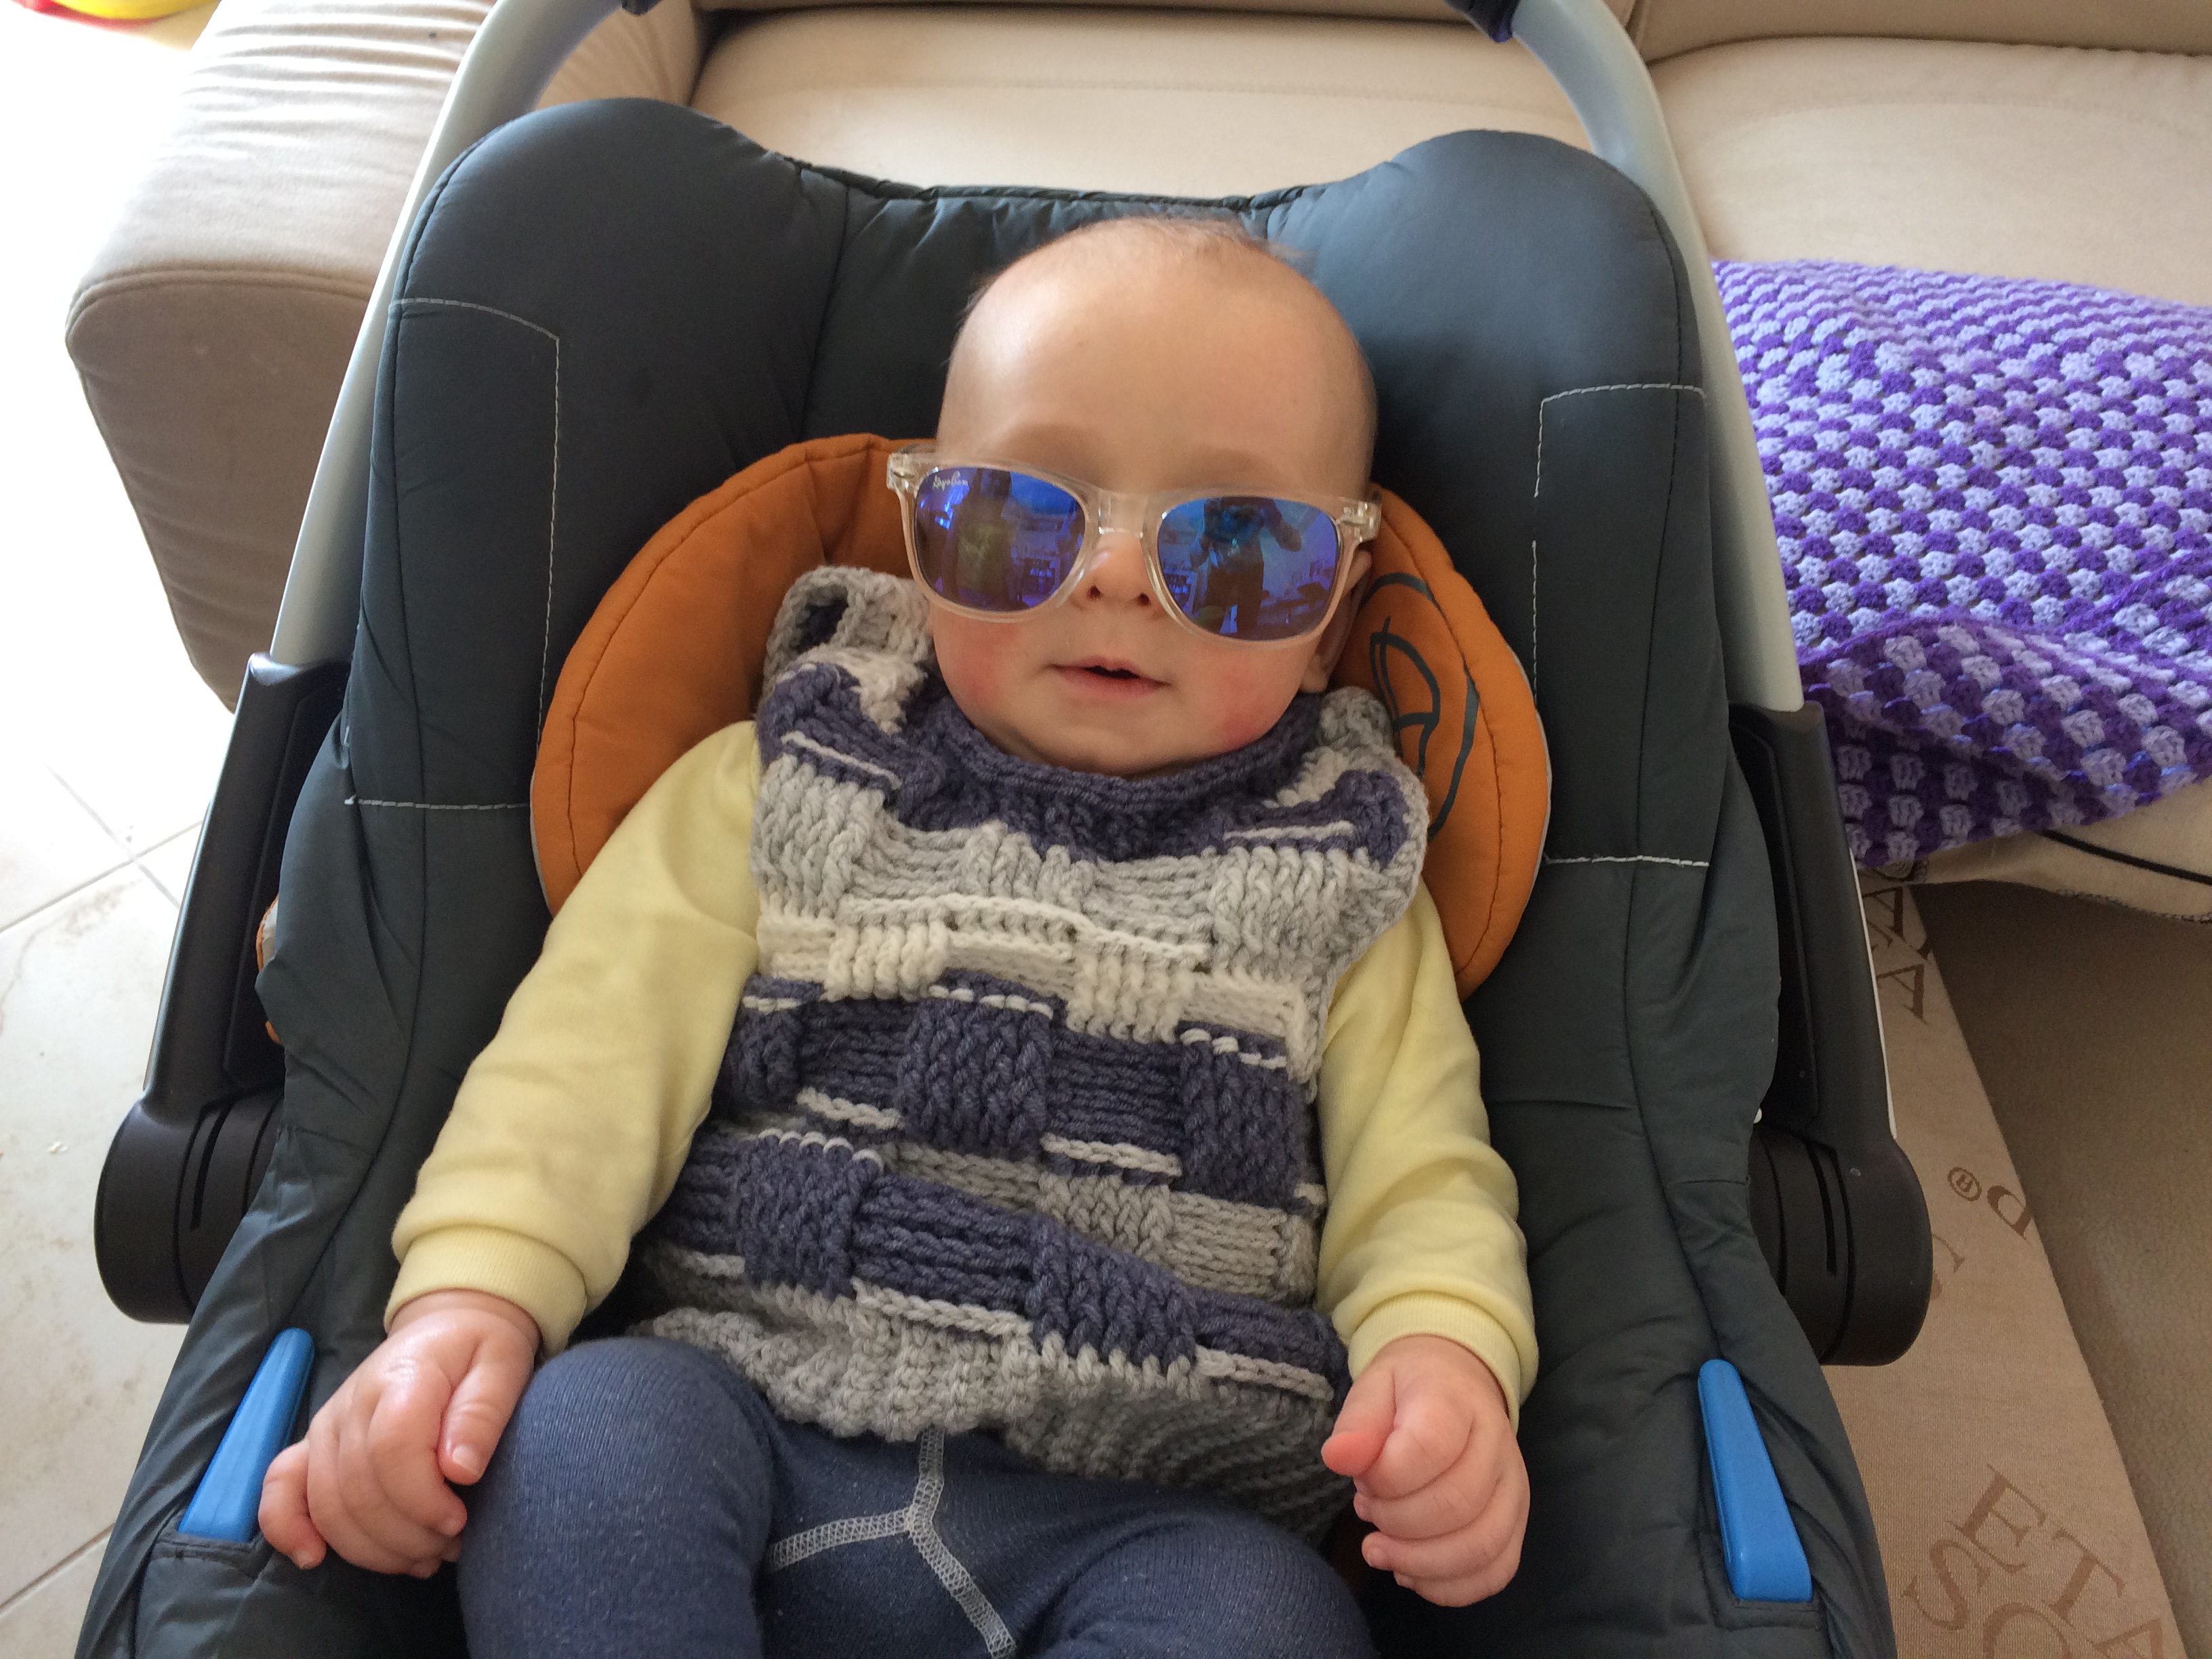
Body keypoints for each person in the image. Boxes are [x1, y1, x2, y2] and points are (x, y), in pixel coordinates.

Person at [258, 216, 1537, 1658]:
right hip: (753, 1403)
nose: (1116, 580)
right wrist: (468, 1307)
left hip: (1150, 1507)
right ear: (928, 539)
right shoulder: (790, 777)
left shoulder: (1343, 872)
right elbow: (584, 1070)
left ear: (1331, 621)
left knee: (1270, 1622)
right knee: (578, 1439)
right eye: (1023, 519)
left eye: (1236, 549)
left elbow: (1422, 1180)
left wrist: (1444, 1359)